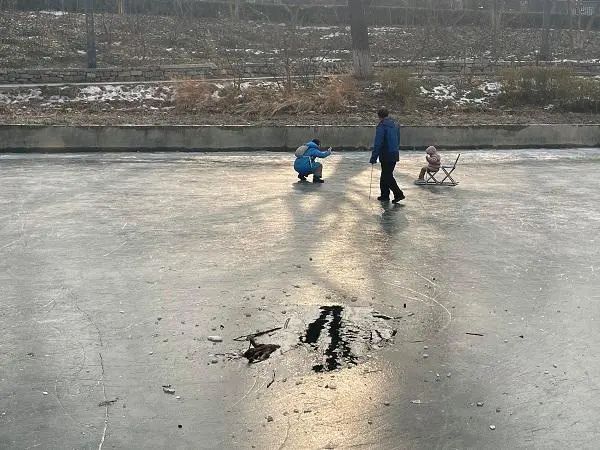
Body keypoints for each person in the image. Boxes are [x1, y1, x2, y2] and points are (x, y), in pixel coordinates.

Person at [369, 108, 405, 203]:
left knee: (387, 175)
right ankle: (384, 195)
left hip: (386, 153)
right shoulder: (395, 125)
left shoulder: (382, 126)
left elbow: (378, 143)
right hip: (394, 152)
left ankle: (398, 194)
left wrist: (373, 157)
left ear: (379, 116)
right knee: (385, 173)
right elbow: (398, 139)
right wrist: (396, 148)